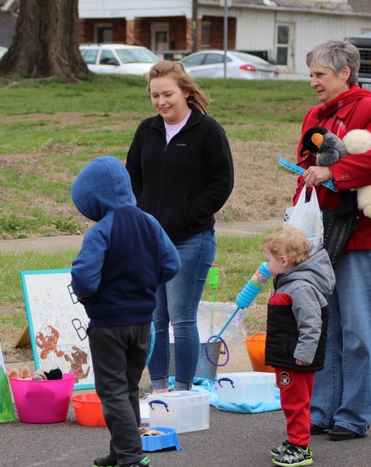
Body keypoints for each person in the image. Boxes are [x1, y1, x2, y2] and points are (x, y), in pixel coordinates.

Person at [296, 40, 371, 441]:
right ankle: (322, 410)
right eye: (311, 75)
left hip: (365, 237)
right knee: (324, 326)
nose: (313, 83)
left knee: (357, 330)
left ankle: (354, 416)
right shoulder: (314, 115)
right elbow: (306, 169)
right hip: (321, 236)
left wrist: (333, 173)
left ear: (345, 73)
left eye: (319, 75)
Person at [125, 60, 234, 393]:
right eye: (155, 96)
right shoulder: (147, 130)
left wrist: (184, 216)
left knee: (181, 318)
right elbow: (133, 179)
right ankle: (159, 391)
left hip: (191, 240)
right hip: (150, 243)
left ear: (186, 91)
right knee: (155, 320)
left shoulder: (208, 131)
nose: (161, 102)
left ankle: (183, 391)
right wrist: (141, 219)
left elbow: (221, 183)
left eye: (168, 94)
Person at [70, 156, 180, 467]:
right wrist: (143, 283)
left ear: (93, 198)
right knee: (129, 387)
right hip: (143, 323)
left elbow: (84, 277)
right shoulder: (149, 222)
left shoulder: (101, 231)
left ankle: (131, 456)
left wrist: (86, 295)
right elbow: (172, 264)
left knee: (112, 391)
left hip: (108, 325)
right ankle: (120, 451)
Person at [262, 225, 335, 467]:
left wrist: (303, 354)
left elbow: (311, 324)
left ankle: (301, 447)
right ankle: (294, 441)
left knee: (296, 402)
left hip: (296, 358)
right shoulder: (289, 282)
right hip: (287, 355)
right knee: (291, 400)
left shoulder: (300, 287)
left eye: (269, 260)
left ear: (283, 261)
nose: (266, 265)